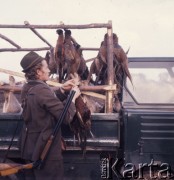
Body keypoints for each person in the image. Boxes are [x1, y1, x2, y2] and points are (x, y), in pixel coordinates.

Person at [19, 51, 81, 180]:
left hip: (31, 148)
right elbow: (66, 117)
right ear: (38, 72)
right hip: (45, 151)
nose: (49, 70)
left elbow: (43, 102)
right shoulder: (42, 90)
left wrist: (62, 90)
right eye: (46, 67)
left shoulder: (28, 88)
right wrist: (73, 98)